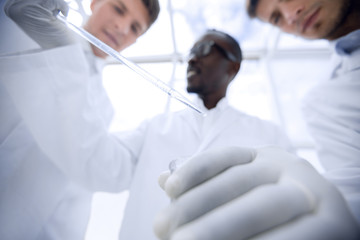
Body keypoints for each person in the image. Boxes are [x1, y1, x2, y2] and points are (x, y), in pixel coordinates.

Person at [153, 0, 360, 239]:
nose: (291, 16)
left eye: (204, 49)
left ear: (233, 66)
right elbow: (348, 195)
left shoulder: (272, 131)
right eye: (276, 18)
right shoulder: (325, 103)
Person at [0, 0, 159, 239]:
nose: (123, 28)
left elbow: (74, 189)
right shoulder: (23, 31)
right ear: (94, 3)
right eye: (118, 8)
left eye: (135, 28)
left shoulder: (104, 108)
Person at [115, 29, 293, 239]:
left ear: (233, 66)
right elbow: (97, 162)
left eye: (203, 49)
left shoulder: (268, 135)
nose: (191, 59)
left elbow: (290, 201)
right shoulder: (155, 127)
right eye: (190, 52)